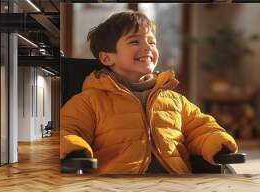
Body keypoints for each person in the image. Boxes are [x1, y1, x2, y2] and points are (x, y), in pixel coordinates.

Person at [60, 11, 238, 174]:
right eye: (134, 41)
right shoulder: (90, 101)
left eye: (151, 42)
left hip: (175, 184)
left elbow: (201, 127)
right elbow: (67, 130)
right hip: (118, 191)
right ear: (107, 57)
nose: (147, 48)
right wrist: (74, 148)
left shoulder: (175, 100)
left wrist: (216, 142)